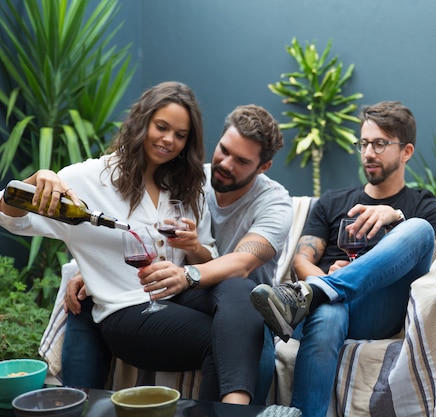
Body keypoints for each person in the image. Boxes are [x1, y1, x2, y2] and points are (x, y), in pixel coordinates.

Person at [62, 103, 292, 405]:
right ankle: (73, 402)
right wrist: (96, 271)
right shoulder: (191, 179)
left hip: (238, 304)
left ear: (263, 167)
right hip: (183, 293)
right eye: (223, 150)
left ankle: (240, 411)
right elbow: (136, 229)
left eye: (241, 161)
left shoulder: (275, 203)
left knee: (245, 311)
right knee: (85, 298)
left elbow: (241, 263)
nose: (225, 163)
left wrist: (188, 271)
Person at [250, 101, 436, 417]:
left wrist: (395, 217)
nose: (369, 152)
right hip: (322, 308)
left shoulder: (423, 204)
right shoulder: (332, 201)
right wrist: (324, 277)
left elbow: (432, 261)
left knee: (419, 229)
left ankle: (322, 291)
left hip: (378, 307)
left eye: (380, 144)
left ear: (406, 151)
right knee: (327, 314)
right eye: (364, 143)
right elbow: (301, 261)